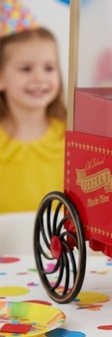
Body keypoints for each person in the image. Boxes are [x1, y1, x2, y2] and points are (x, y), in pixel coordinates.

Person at [0, 27, 66, 213]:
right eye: (26, 69)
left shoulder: (71, 138)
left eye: (49, 68)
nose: (39, 78)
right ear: (1, 77)